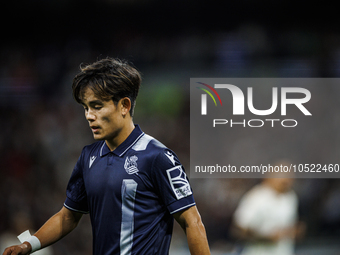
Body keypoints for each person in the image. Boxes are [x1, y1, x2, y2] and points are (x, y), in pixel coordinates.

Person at [3, 58, 211, 255]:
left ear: (124, 106)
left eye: (97, 106)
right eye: (86, 108)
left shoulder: (158, 157)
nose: (89, 116)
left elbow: (192, 222)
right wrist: (29, 245)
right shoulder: (88, 157)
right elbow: (68, 217)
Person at [231, 163, 305, 255]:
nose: (286, 181)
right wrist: (266, 237)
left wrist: (294, 231)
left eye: (289, 177)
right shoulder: (256, 197)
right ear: (270, 176)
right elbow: (238, 230)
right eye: (282, 176)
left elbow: (288, 227)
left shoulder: (291, 197)